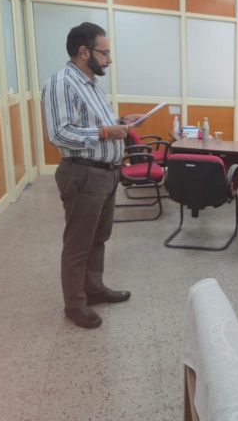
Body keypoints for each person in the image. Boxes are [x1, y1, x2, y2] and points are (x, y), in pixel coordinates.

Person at [42, 22, 145, 329]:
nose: (109, 59)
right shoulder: (61, 83)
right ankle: (74, 305)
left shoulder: (91, 84)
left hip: (107, 173)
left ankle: (94, 288)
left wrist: (122, 121)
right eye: (105, 52)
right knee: (79, 242)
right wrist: (105, 132)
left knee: (99, 238)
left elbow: (94, 123)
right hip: (83, 173)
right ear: (84, 51)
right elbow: (58, 134)